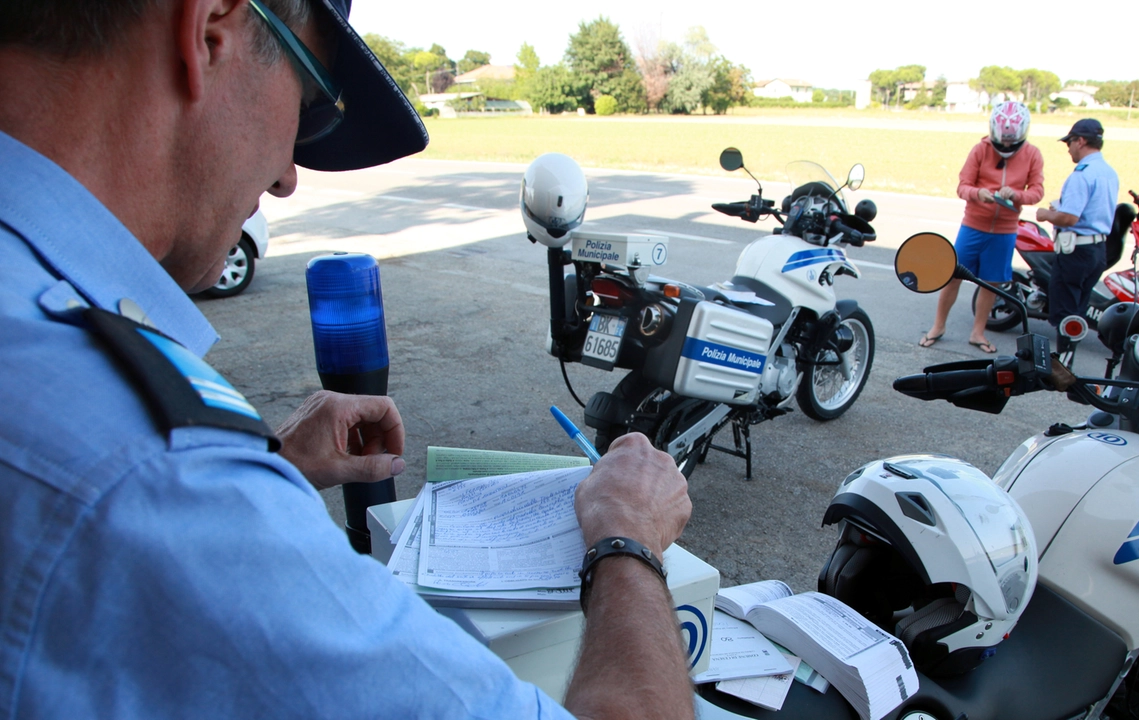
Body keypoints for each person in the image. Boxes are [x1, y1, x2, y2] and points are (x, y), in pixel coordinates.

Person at [0, 1, 694, 719]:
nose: (286, 177)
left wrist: (266, 462)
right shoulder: (154, 474)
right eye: (307, 102)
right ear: (208, 32)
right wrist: (626, 536)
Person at [921, 101, 1044, 354]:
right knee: (953, 276)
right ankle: (938, 326)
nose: (1006, 147)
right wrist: (979, 194)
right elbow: (962, 186)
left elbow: (1037, 191)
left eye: (1012, 142)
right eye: (1002, 143)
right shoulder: (980, 149)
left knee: (991, 283)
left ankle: (978, 332)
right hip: (973, 226)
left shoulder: (1033, 154)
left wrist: (1018, 195)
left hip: (1005, 230)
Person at [1036, 118, 1120, 369]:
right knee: (1078, 308)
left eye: (1070, 142)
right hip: (1096, 249)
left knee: (1065, 313)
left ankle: (1063, 366)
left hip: (1076, 251)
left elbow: (1070, 218)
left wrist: (1046, 214)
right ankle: (1067, 360)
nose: (1068, 148)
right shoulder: (1108, 172)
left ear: (1081, 141)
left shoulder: (1081, 175)